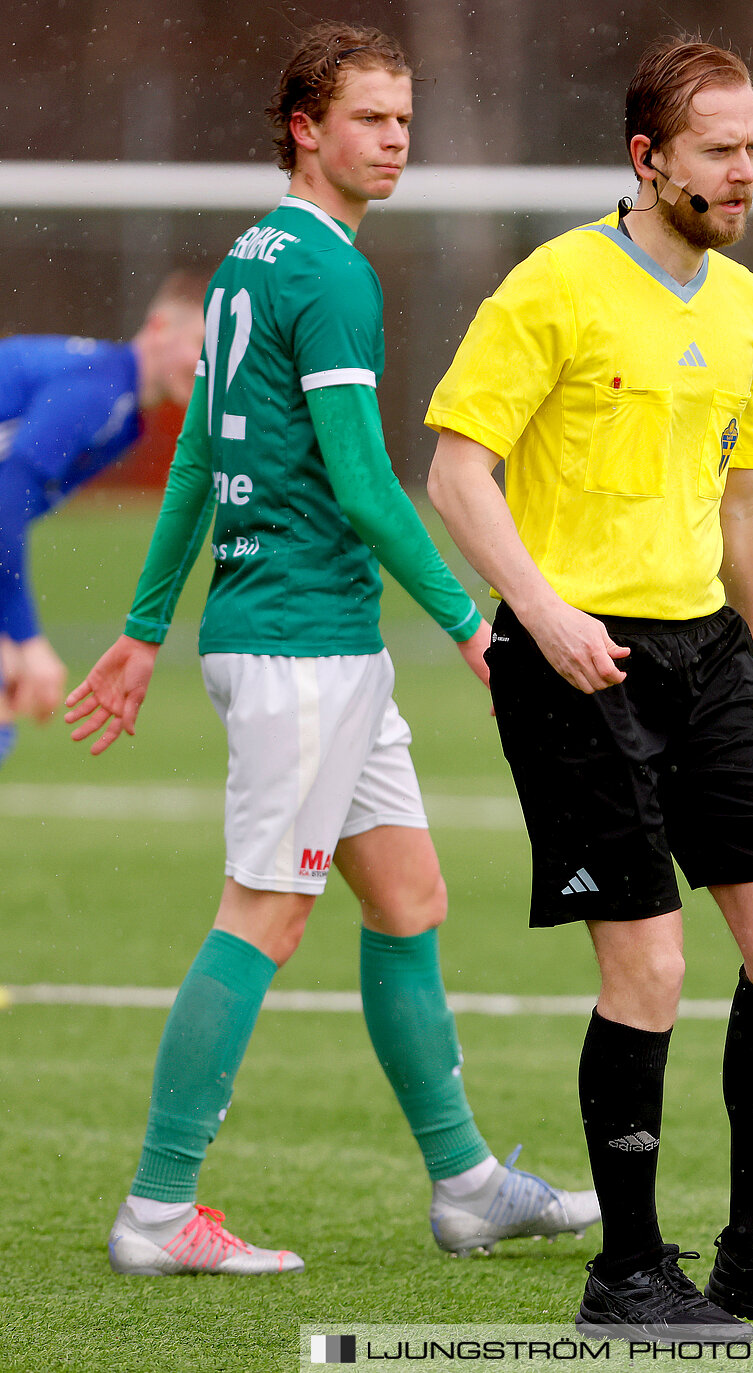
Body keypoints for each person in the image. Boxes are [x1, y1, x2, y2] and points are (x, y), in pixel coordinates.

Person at [63, 21, 598, 1277]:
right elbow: (365, 482)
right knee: (263, 915)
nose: (396, 138)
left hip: (320, 644)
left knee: (409, 896)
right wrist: (474, 620)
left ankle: (467, 1184)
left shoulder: (245, 260)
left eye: (406, 118)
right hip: (300, 647)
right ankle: (156, 1209)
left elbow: (197, 453)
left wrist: (144, 631)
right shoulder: (326, 272)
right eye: (370, 118)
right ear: (306, 127)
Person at [424, 37, 753, 1337]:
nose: (746, 172)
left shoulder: (743, 304)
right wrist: (544, 610)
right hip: (576, 662)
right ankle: (628, 1274)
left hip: (712, 656)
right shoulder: (553, 286)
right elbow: (458, 470)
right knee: (649, 969)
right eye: (720, 151)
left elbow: (751, 489)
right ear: (648, 159)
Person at [0, 273, 208, 766]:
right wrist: (27, 641)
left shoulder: (123, 411)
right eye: (199, 343)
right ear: (158, 326)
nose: (205, 366)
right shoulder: (102, 389)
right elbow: (6, 503)